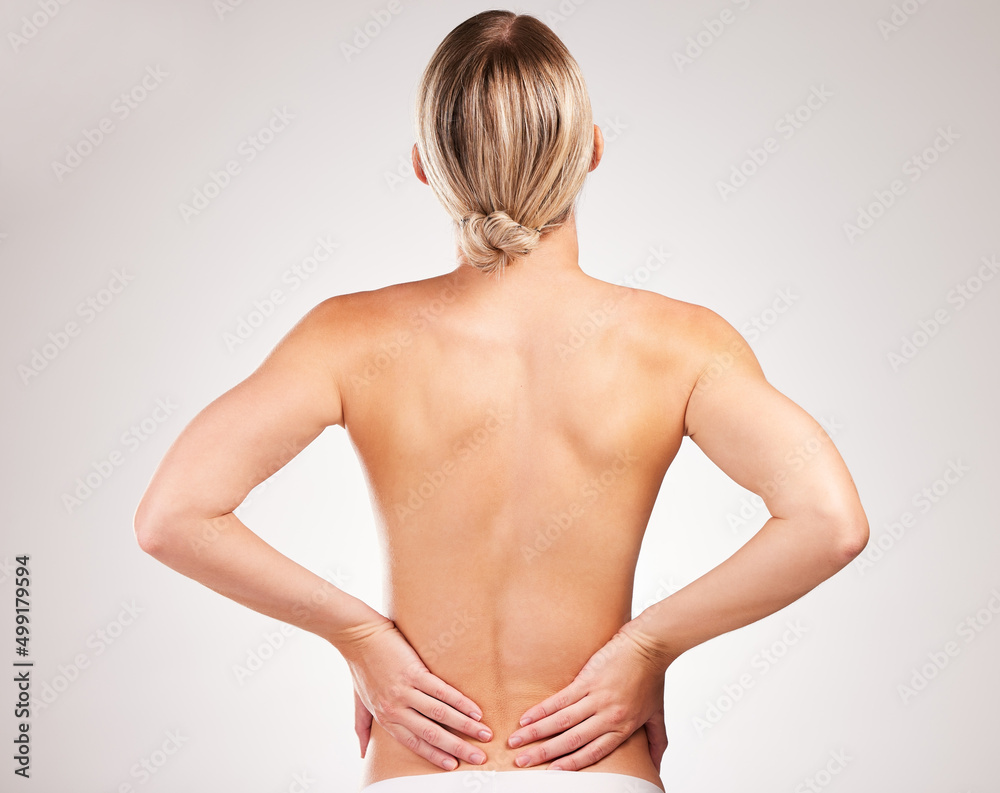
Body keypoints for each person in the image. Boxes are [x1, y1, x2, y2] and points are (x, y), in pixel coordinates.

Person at [133, 10, 869, 793]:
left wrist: (358, 636)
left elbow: (172, 515)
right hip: (599, 772)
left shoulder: (349, 336)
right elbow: (830, 521)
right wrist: (650, 645)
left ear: (425, 166)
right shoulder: (680, 343)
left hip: (417, 772)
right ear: (591, 149)